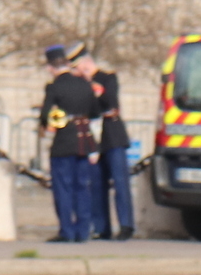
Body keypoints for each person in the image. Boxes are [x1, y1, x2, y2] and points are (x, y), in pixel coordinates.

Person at [36, 43, 102, 244]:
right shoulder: (84, 84)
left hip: (63, 143)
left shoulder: (54, 87)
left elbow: (45, 116)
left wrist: (59, 119)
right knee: (82, 187)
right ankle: (83, 231)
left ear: (50, 67)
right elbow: (95, 112)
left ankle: (67, 231)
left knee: (63, 188)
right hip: (84, 141)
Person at [72, 48, 135, 241]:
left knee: (120, 181)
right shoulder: (80, 84)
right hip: (94, 137)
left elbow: (111, 102)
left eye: (77, 66)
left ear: (86, 63)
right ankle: (101, 226)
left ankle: (126, 224)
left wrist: (93, 85)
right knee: (97, 184)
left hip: (112, 135)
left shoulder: (108, 78)